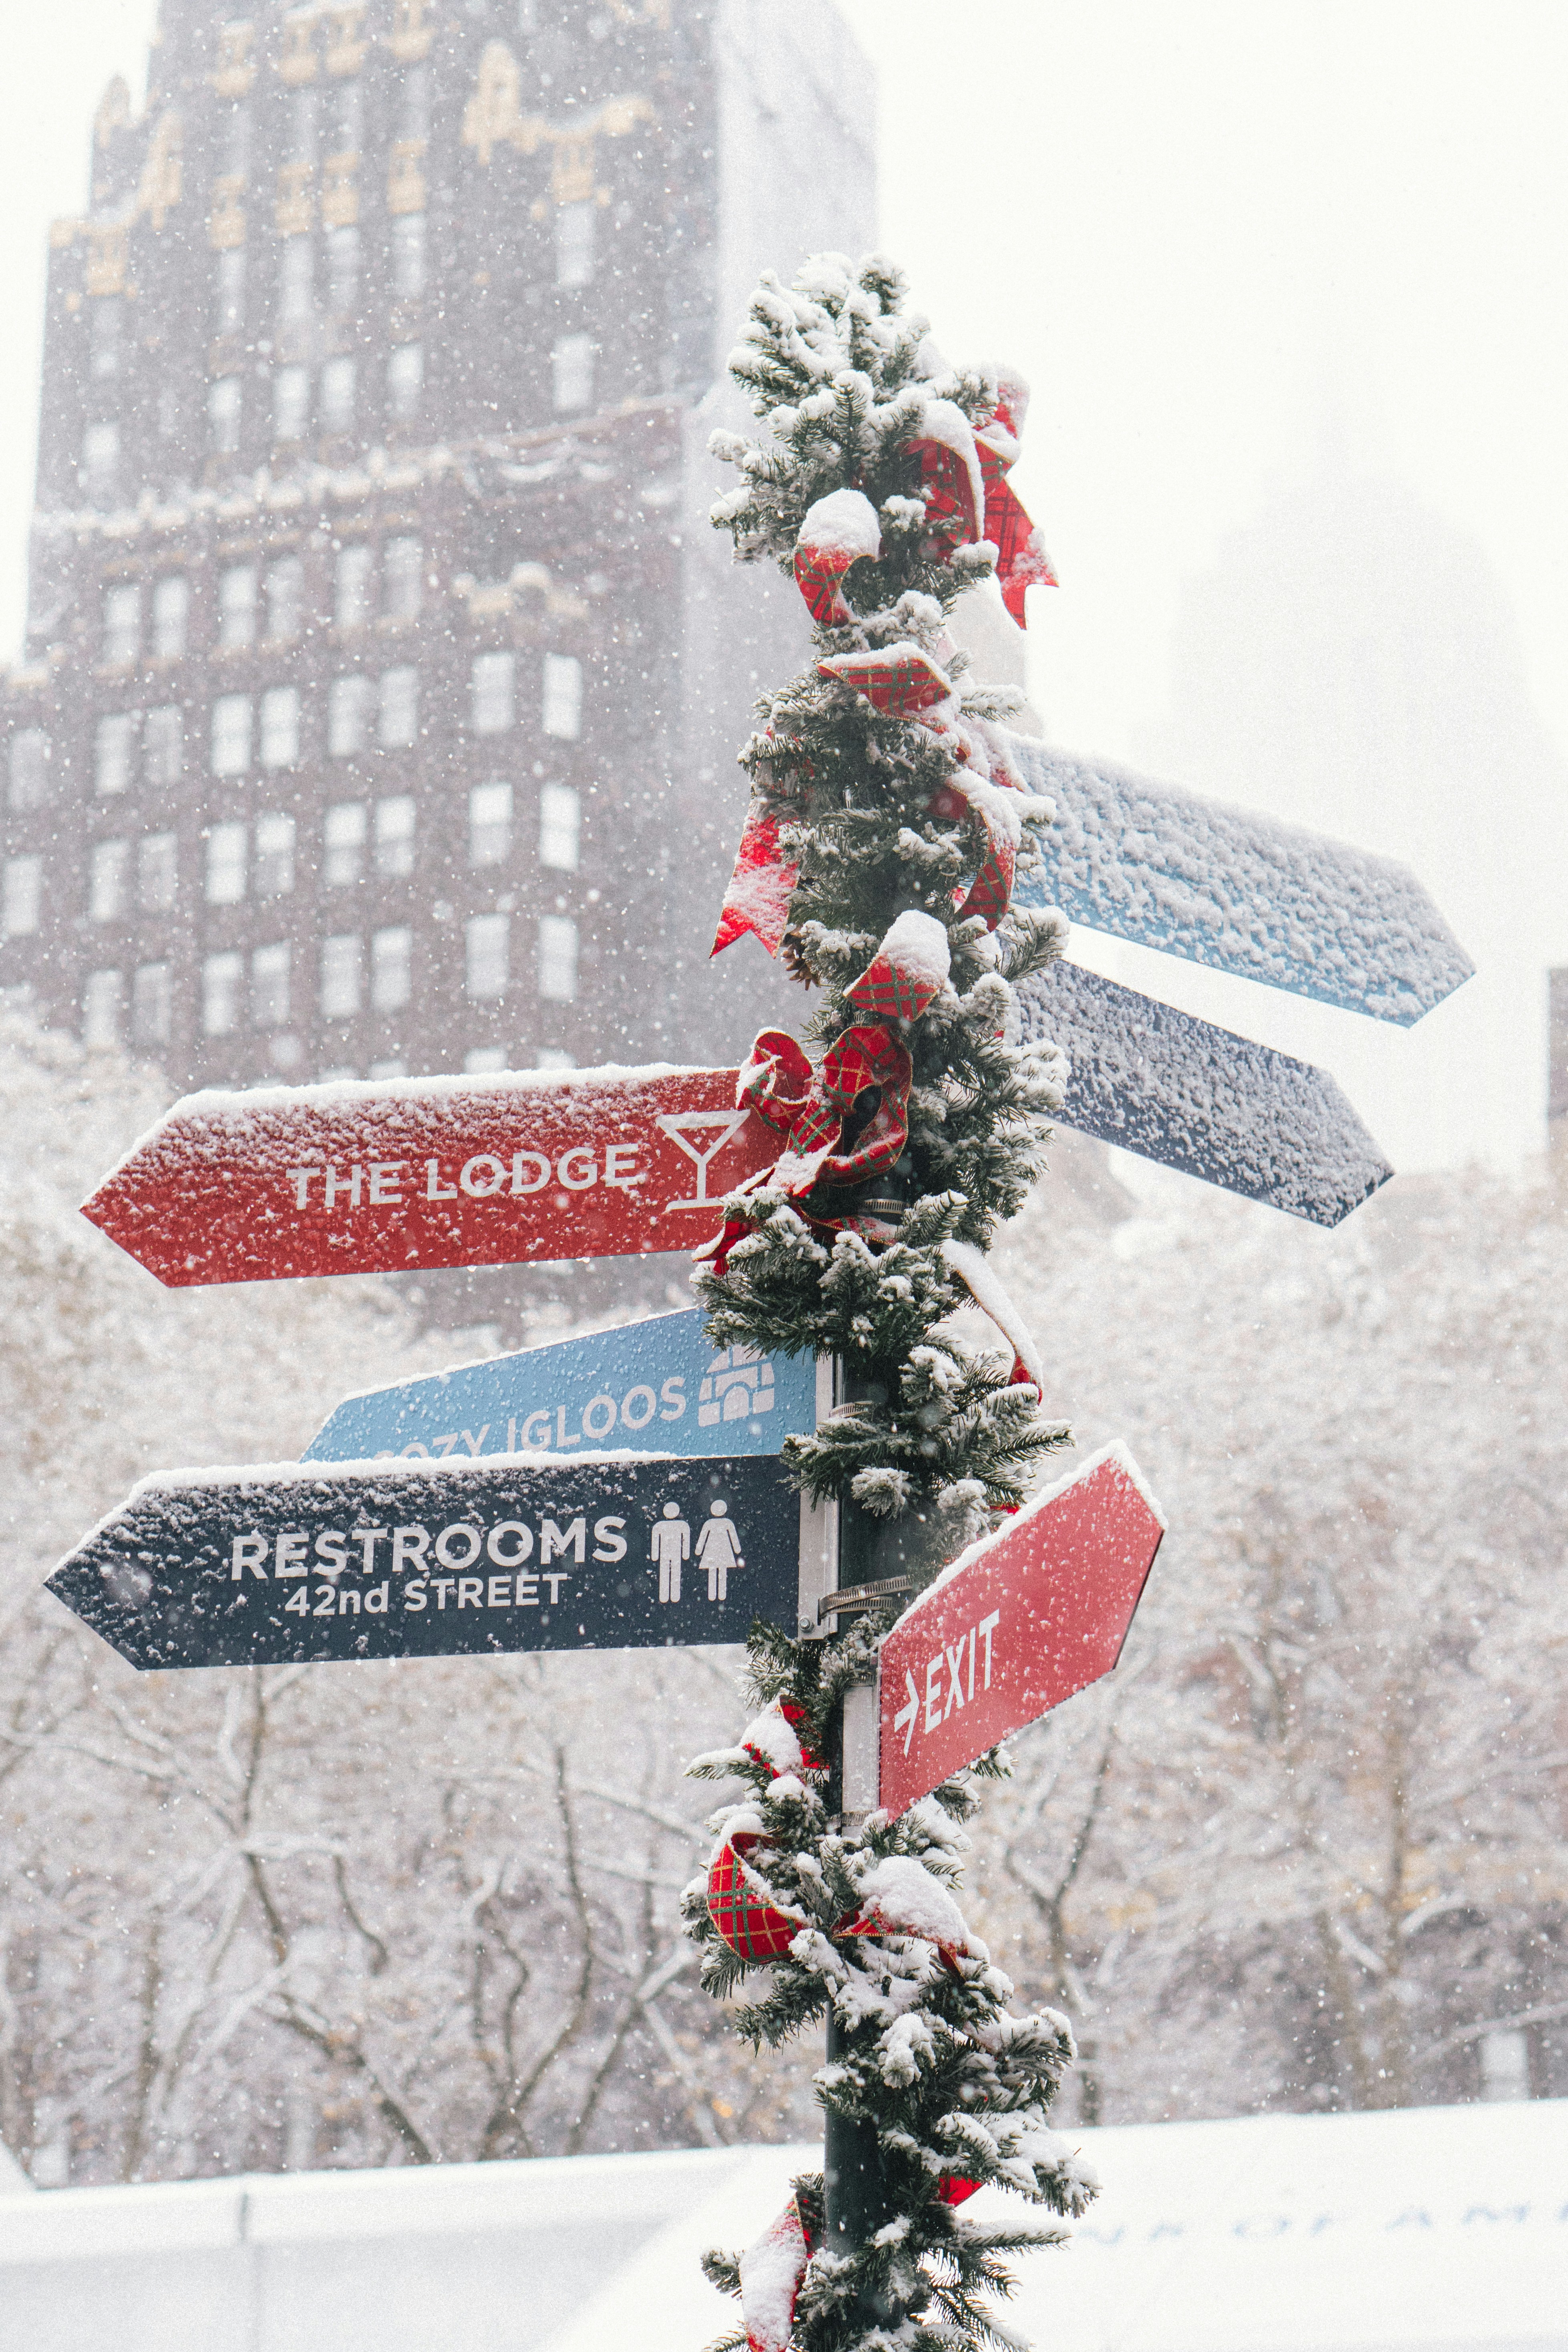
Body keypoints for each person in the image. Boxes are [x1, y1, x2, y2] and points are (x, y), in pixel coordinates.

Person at [694, 1499, 744, 1602]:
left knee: (716, 1571)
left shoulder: (712, 1523)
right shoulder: (726, 1523)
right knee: (720, 1571)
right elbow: (733, 1537)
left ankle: (716, 1594)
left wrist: (699, 1550)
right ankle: (719, 1594)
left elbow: (703, 1538)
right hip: (721, 1551)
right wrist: (737, 1549)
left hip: (715, 1550)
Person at [649, 1501, 689, 1603]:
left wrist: (685, 1554)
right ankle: (665, 1595)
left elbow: (685, 1539)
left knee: (673, 1573)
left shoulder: (681, 1526)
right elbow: (655, 1540)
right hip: (666, 1553)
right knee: (666, 1573)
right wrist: (655, 1555)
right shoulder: (660, 1526)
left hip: (673, 1553)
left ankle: (673, 1595)